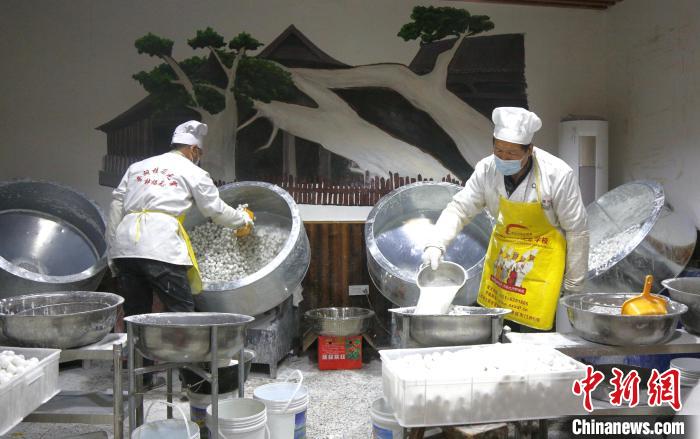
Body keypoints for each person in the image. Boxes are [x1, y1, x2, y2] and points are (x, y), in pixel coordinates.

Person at [423, 107, 588, 331]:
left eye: (511, 153)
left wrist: (574, 285)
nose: (503, 158)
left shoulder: (557, 174)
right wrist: (436, 243)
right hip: (504, 263)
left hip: (542, 265)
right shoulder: (486, 169)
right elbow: (460, 208)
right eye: (498, 150)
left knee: (535, 340)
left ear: (529, 150)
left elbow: (577, 229)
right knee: (498, 333)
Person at [107, 120, 253, 318]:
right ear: (193, 149)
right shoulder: (194, 172)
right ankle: (182, 340)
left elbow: (116, 206)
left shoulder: (137, 167)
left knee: (135, 315)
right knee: (181, 314)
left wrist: (112, 250)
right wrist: (243, 220)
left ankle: (135, 339)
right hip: (160, 248)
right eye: (199, 153)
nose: (199, 157)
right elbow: (215, 210)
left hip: (125, 250)